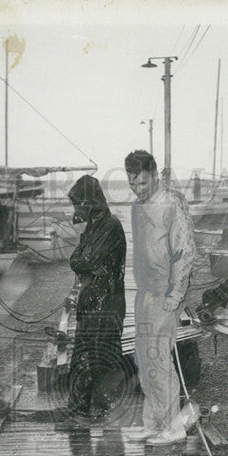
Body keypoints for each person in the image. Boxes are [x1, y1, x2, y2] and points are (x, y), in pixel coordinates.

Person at [124, 150, 196, 445]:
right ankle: (153, 422)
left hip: (166, 293)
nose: (138, 190)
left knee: (158, 357)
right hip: (145, 291)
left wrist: (175, 293)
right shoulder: (135, 208)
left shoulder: (172, 204)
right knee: (143, 356)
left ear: (154, 175)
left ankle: (174, 427)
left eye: (143, 183)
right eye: (132, 184)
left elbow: (185, 251)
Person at [66, 174, 127, 420]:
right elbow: (75, 260)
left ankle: (102, 412)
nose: (77, 209)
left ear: (91, 201)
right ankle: (81, 409)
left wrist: (86, 263)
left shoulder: (110, 225)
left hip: (107, 302)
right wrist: (86, 263)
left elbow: (86, 259)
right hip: (94, 300)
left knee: (102, 356)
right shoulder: (93, 227)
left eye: (80, 203)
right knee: (85, 355)